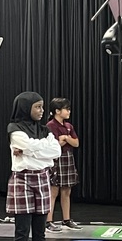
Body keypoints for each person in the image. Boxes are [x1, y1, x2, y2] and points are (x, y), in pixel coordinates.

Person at [6, 92, 62, 241]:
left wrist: (32, 151)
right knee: (22, 230)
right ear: (25, 108)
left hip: (42, 178)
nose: (41, 111)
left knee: (40, 229)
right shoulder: (15, 129)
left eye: (42, 106)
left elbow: (56, 152)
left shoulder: (45, 130)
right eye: (37, 107)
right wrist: (35, 150)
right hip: (22, 179)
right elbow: (27, 146)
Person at [45, 97, 81, 232]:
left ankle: (67, 219)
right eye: (67, 109)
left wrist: (66, 138)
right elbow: (54, 145)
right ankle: (48, 221)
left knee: (67, 190)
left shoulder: (68, 126)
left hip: (68, 158)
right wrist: (65, 140)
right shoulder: (50, 126)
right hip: (55, 159)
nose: (69, 111)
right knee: (53, 190)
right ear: (57, 111)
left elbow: (76, 143)